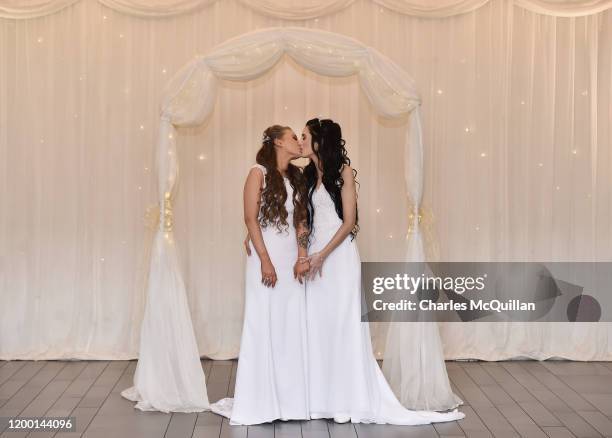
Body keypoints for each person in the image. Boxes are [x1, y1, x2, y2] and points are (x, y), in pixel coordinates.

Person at [298, 118, 465, 425]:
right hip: (317, 257)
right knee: (317, 323)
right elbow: (304, 218)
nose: (301, 141)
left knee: (342, 324)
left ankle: (349, 397)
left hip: (338, 256)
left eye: (305, 137)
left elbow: (349, 222)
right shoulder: (308, 175)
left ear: (319, 142)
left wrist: (322, 254)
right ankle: (319, 397)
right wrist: (307, 254)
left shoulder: (343, 172)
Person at [210, 125, 311, 425]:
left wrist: (301, 255)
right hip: (265, 257)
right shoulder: (258, 172)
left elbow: (301, 221)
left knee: (289, 324)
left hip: (291, 257)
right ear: (279, 141)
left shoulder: (296, 176)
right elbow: (250, 218)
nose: (298, 142)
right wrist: (266, 261)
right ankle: (259, 399)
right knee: (263, 322)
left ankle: (290, 401)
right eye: (293, 136)